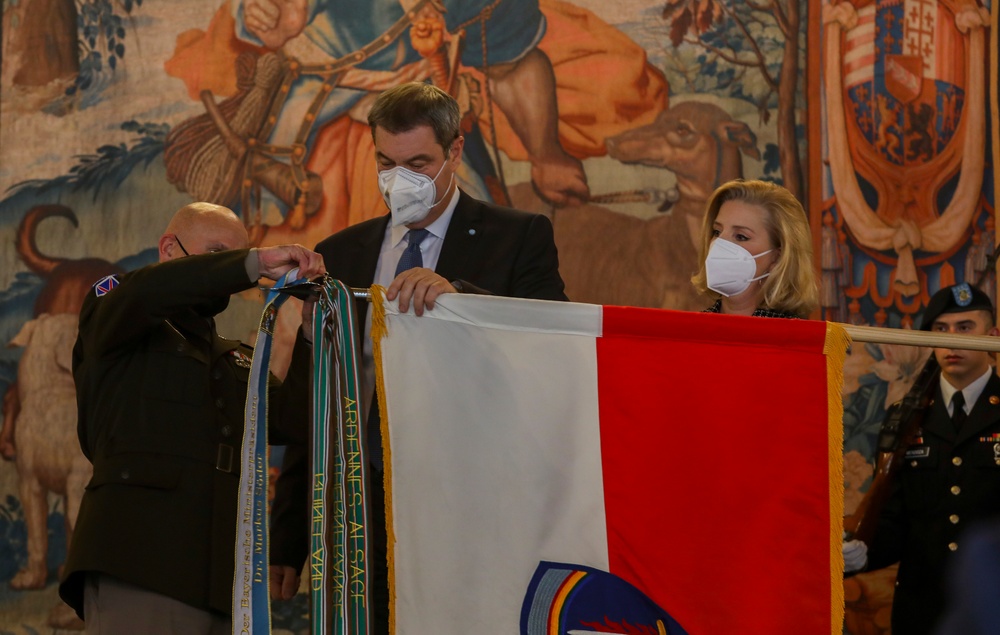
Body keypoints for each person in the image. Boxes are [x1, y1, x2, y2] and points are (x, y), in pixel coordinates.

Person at [267, 81, 568, 633]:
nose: (399, 181)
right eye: (386, 163)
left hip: (471, 505)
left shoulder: (518, 236)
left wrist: (463, 300)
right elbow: (321, 405)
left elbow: (552, 347)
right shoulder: (342, 253)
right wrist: (288, 536)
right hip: (360, 512)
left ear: (455, 151)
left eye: (419, 163)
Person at [58, 202, 326, 633]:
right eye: (217, 254)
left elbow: (294, 420)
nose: (229, 272)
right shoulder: (117, 306)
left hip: (222, 580)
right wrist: (253, 262)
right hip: (141, 562)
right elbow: (149, 293)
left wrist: (311, 330)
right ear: (169, 248)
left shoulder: (232, 356)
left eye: (235, 257)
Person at [842, 282, 1000, 635]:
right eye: (941, 329)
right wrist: (862, 551)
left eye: (964, 328)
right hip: (923, 612)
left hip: (992, 606)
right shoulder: (906, 417)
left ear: (992, 335)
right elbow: (897, 521)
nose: (952, 340)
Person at [690, 179, 819, 318]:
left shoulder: (796, 336)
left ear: (778, 257)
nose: (720, 243)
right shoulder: (690, 331)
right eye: (717, 232)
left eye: (741, 236)